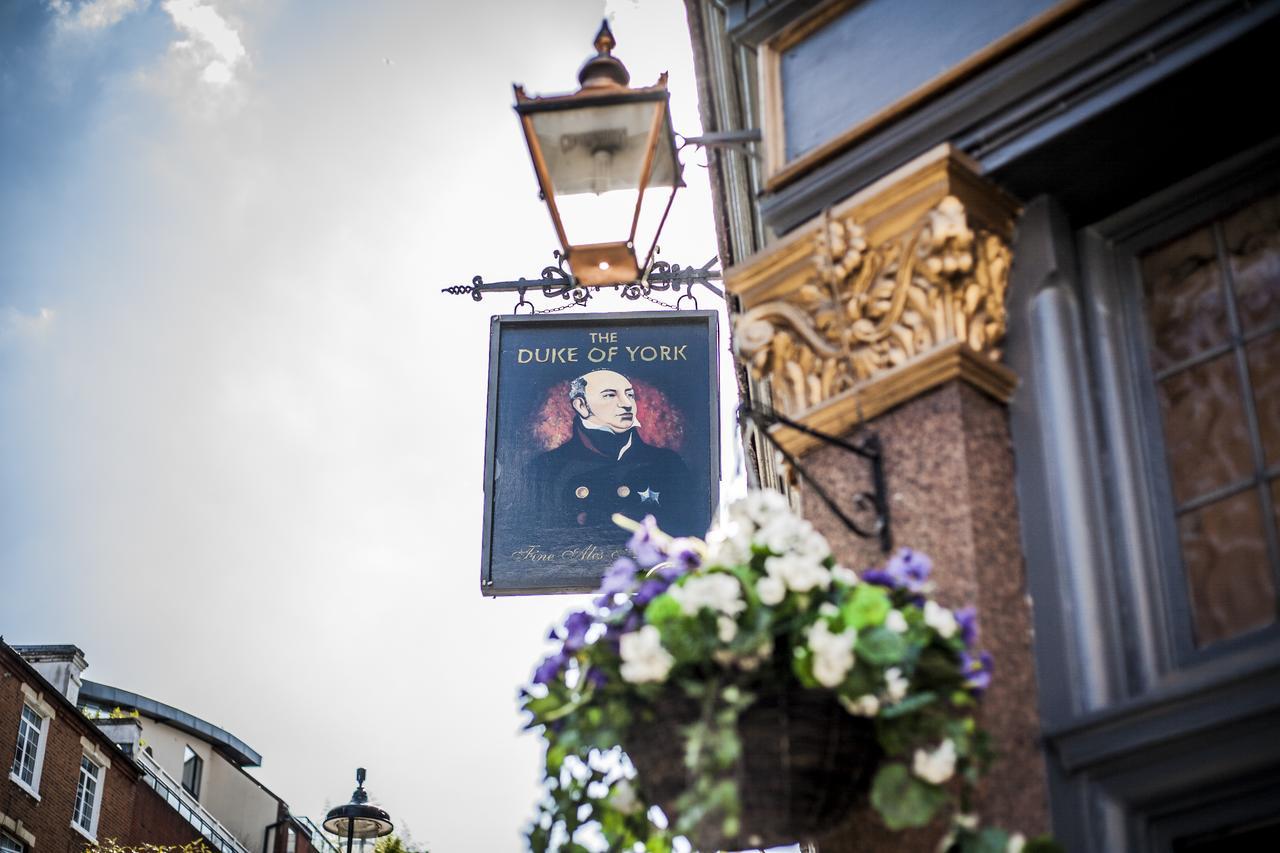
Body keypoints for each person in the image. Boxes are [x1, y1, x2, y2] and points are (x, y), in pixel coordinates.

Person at [530, 369, 697, 533]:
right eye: (610, 395)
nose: (626, 404)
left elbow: (689, 531)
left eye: (630, 395)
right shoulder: (545, 468)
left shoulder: (667, 464)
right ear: (581, 405)